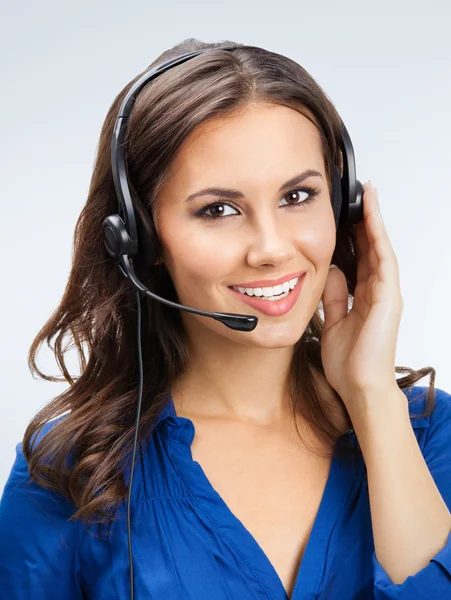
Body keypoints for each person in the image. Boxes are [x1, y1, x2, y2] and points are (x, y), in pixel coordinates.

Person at [1, 38, 451, 600]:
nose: (270, 248)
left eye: (298, 196)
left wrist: (372, 397)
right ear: (140, 238)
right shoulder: (70, 469)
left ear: (343, 203)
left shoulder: (428, 433)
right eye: (218, 210)